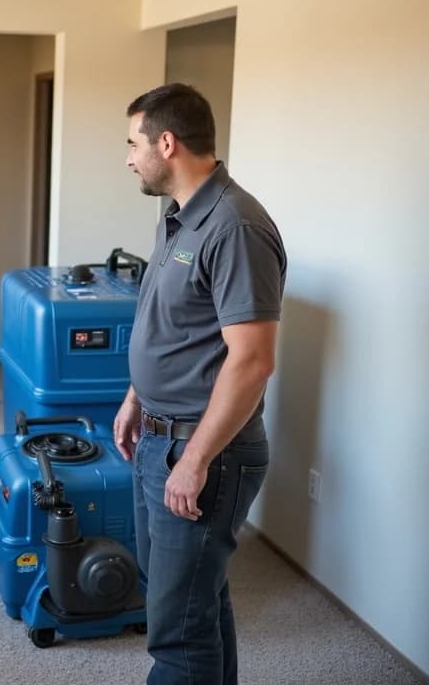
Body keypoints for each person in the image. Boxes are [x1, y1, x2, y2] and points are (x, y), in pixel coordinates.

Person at [113, 83, 286, 684]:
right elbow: (168, 320)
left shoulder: (235, 225)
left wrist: (195, 460)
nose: (130, 158)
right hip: (160, 438)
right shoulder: (177, 218)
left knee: (177, 634)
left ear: (168, 142)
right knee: (194, 604)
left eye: (134, 144)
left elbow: (253, 361)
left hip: (202, 450)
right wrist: (138, 396)